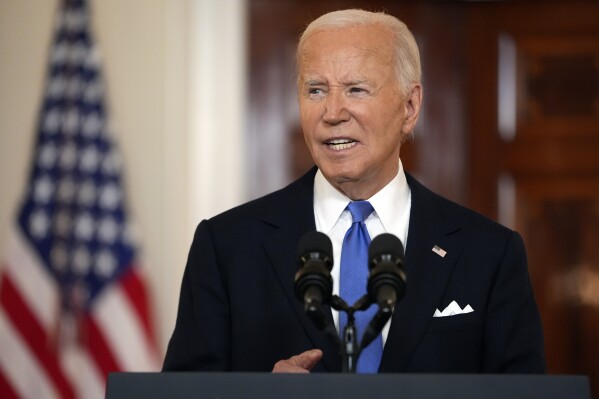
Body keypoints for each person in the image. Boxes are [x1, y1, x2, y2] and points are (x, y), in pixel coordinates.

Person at [162, 9, 546, 374]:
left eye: (356, 89)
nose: (332, 112)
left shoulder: (489, 254)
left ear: (410, 107)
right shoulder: (226, 246)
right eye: (315, 90)